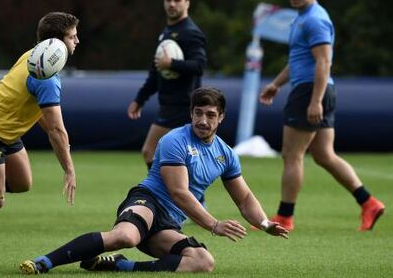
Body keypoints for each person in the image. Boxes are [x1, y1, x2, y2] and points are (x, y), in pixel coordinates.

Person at [19, 87, 288, 274]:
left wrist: (265, 224)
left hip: (168, 222)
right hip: (147, 202)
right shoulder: (175, 140)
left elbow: (244, 198)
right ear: (191, 113)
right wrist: (214, 225)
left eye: (210, 115)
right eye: (198, 113)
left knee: (202, 261)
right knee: (125, 235)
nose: (203, 120)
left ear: (221, 118)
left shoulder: (226, 154)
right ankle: (44, 262)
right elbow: (179, 193)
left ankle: (120, 266)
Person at [258, 0, 384, 232]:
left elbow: (323, 61)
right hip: (314, 90)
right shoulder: (301, 18)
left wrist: (315, 101)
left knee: (292, 156)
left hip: (311, 92)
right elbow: (298, 61)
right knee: (325, 155)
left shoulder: (315, 19)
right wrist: (275, 84)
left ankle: (284, 217)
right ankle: (368, 202)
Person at [0, 12, 79, 234]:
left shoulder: (32, 55)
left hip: (6, 132)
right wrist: (69, 169)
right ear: (57, 43)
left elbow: (41, 113)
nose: (77, 41)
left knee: (22, 182)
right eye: (72, 37)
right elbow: (56, 130)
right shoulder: (47, 79)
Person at [127, 0, 207, 170]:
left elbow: (199, 65)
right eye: (168, 0)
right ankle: (181, 196)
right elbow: (156, 72)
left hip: (182, 105)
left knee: (151, 151)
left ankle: (169, 195)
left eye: (177, 0)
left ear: (187, 3)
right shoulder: (167, 32)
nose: (172, 4)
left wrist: (172, 63)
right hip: (169, 105)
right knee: (177, 158)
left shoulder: (191, 33)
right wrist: (140, 99)